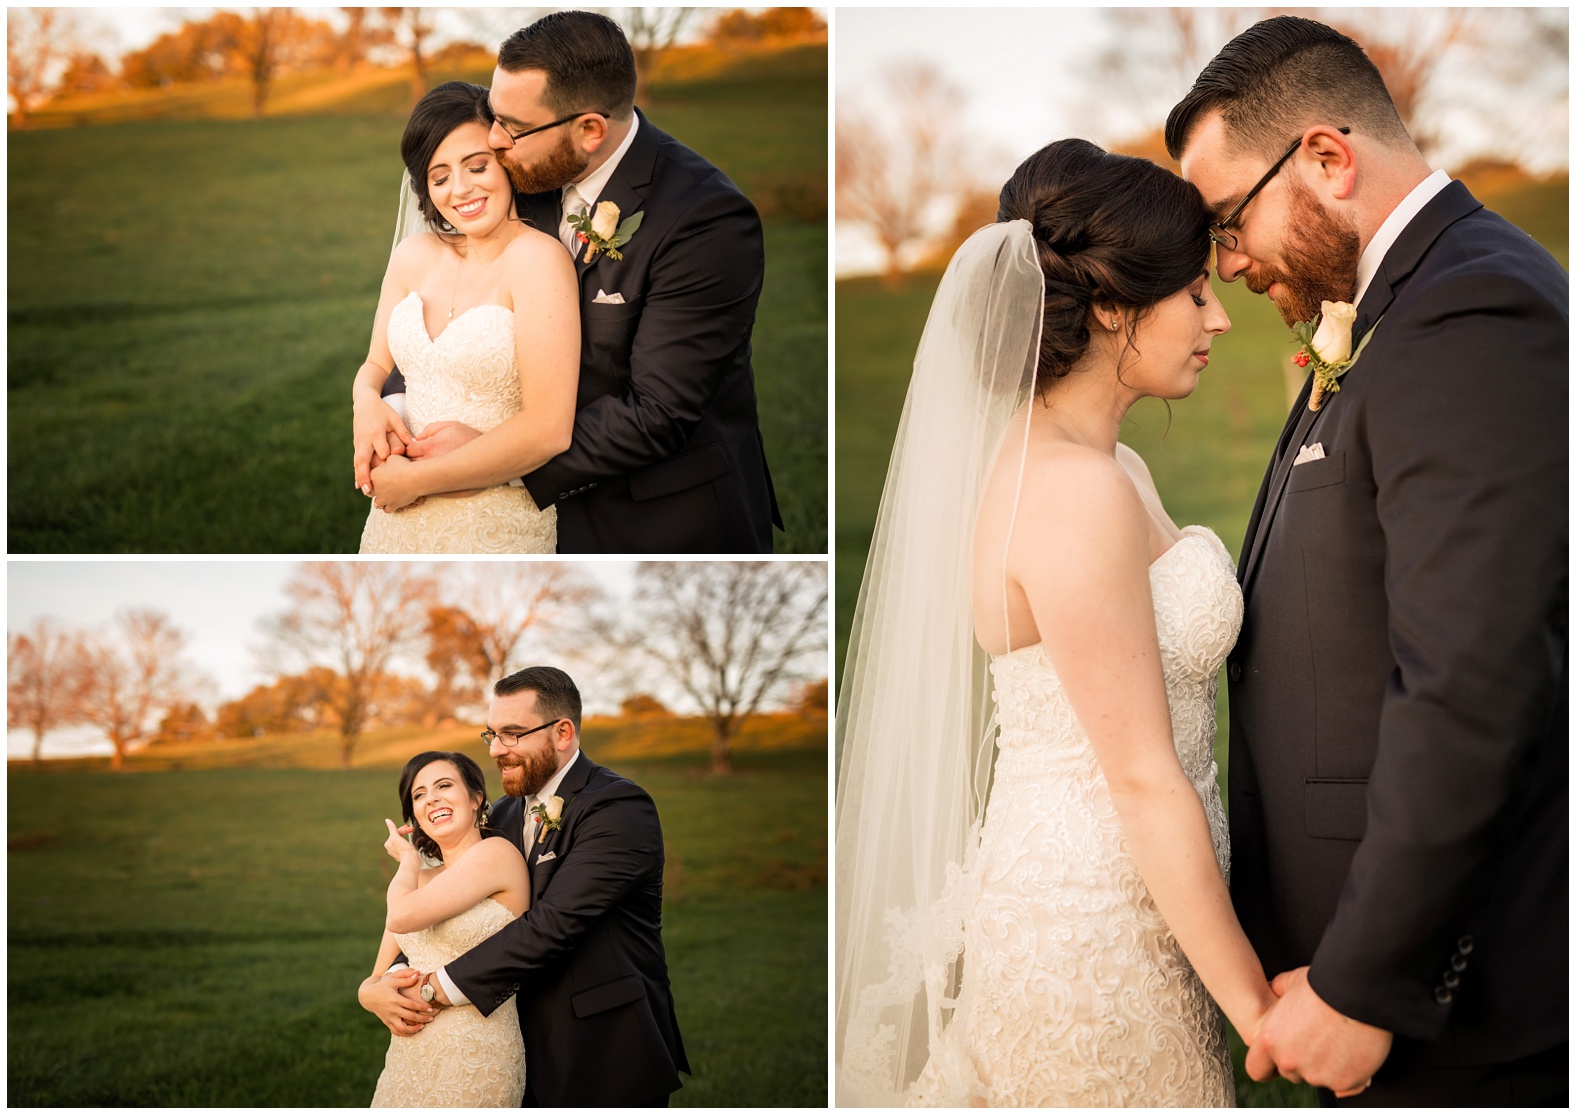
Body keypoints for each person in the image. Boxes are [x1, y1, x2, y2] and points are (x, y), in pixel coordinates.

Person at [836, 139, 1300, 1106]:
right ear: (1111, 306)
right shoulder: (1073, 490)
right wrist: (1259, 1012)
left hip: (1138, 904)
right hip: (1093, 932)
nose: (1218, 316)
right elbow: (1138, 773)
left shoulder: (1105, 466)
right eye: (1194, 294)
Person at [1164, 16, 1567, 1106]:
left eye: (1225, 222)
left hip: (1460, 1005)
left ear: (1327, 159)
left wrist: (1362, 986)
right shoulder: (1392, 309)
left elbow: (1473, 683)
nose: (1228, 263)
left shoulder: (1472, 311)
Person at [375, 10, 781, 554]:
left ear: (589, 130)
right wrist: (390, 411)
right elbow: (445, 308)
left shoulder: (706, 221)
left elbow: (657, 412)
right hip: (515, 516)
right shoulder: (522, 175)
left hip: (661, 524)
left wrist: (488, 461)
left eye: (512, 128)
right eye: (495, 116)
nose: (493, 140)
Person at [358, 666, 688, 1107]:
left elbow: (552, 925)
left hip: (598, 1048)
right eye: (491, 734)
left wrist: (429, 991)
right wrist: (376, 987)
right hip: (508, 1041)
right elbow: (440, 914)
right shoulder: (504, 814)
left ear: (563, 733)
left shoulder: (617, 807)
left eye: (513, 734)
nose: (496, 750)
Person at [354, 80, 579, 553]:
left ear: (506, 160)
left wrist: (417, 481)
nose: (461, 190)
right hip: (393, 526)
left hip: (495, 522)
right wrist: (365, 403)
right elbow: (375, 366)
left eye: (477, 166)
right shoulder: (411, 256)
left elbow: (549, 428)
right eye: (439, 177)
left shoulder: (539, 260)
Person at [366, 751, 530, 1106]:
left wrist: (408, 859)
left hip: (474, 1057)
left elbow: (399, 917)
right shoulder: (420, 881)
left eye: (444, 785)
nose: (432, 798)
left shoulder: (497, 855)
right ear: (415, 816)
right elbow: (376, 976)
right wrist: (369, 996)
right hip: (408, 1061)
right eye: (419, 794)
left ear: (476, 798)